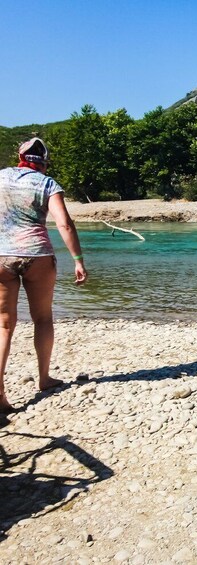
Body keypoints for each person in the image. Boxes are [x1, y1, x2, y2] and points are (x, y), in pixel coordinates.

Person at [0, 137, 88, 412]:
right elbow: (65, 223)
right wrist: (78, 260)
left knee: (3, 324)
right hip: (37, 254)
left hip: (2, 255)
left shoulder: (1, 177)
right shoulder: (47, 184)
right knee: (43, 318)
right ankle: (44, 378)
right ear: (44, 161)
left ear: (20, 156)